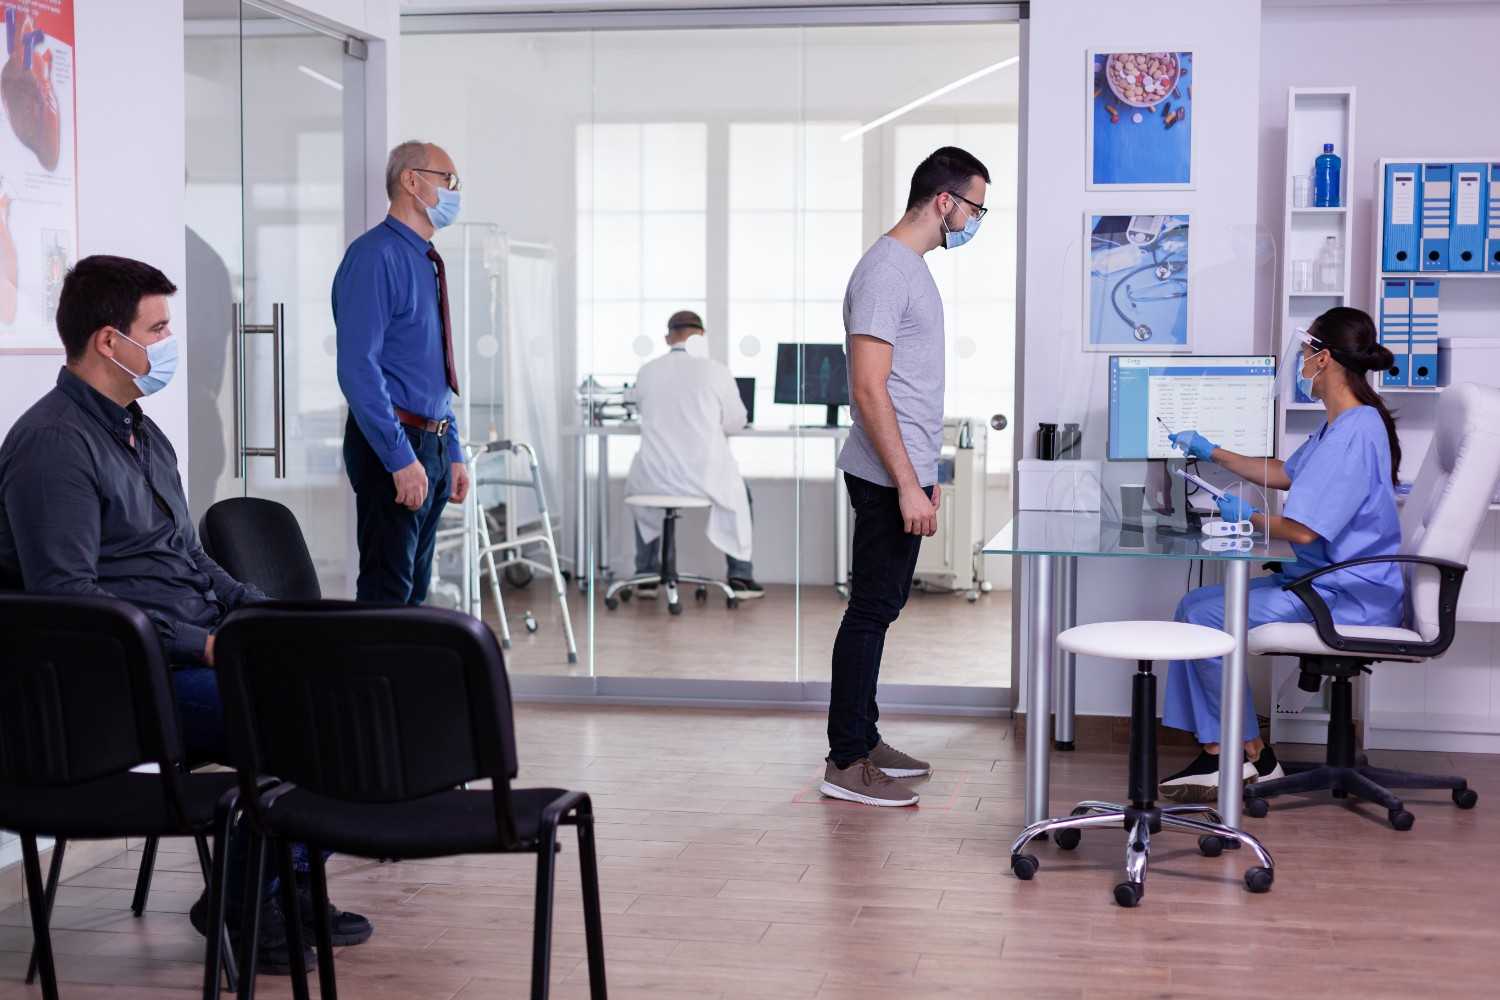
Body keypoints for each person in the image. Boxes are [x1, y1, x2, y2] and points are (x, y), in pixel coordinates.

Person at [0, 255, 372, 971]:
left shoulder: (142, 433)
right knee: (307, 719)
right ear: (110, 341)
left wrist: (261, 617)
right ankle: (246, 900)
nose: (172, 342)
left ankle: (278, 883)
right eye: (159, 327)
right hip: (128, 680)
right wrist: (202, 645)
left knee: (349, 692)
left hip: (193, 650)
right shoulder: (53, 448)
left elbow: (188, 557)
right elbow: (68, 604)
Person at [1159, 307, 1405, 802]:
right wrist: (1212, 451)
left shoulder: (1354, 432)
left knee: (1203, 614)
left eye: (1307, 352)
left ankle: (1246, 753)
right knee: (1194, 609)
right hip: (1325, 580)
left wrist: (1242, 517)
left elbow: (1305, 532)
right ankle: (1225, 751)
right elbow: (1285, 473)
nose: (1302, 365)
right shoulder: (1345, 423)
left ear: (1325, 359)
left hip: (1347, 593)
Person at [820, 147, 989, 808]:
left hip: (903, 473)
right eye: (976, 207)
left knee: (883, 608)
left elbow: (912, 390)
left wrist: (925, 473)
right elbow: (868, 388)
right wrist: (906, 483)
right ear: (944, 201)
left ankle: (864, 738)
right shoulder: (888, 270)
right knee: (869, 611)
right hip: (884, 478)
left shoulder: (909, 269)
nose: (977, 221)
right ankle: (846, 760)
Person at [334, 140, 471, 605]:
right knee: (387, 593)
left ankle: (405, 680)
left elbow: (429, 368)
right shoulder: (376, 257)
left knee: (414, 591)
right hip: (394, 442)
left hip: (428, 442)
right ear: (411, 181)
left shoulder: (426, 260)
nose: (454, 192)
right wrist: (398, 458)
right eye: (447, 180)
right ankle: (369, 681)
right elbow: (358, 368)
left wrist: (451, 448)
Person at [624, 310, 762, 599]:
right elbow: (736, 421)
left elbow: (635, 408)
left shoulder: (647, 371)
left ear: (667, 337)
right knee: (741, 493)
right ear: (702, 337)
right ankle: (740, 576)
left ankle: (646, 573)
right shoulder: (716, 370)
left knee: (644, 490)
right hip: (704, 478)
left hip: (654, 478)